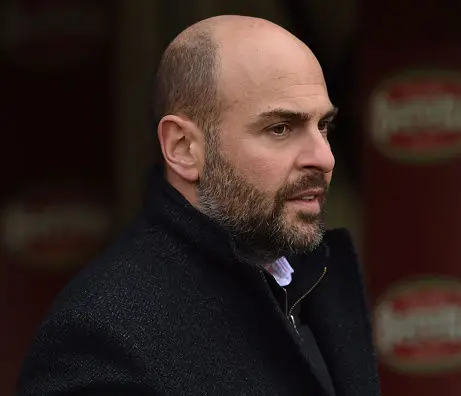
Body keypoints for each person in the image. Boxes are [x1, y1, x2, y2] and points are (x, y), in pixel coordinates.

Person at [16, 15, 380, 396]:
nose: (324, 158)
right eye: (280, 129)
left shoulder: (315, 279)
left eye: (323, 126)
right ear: (183, 148)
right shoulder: (105, 335)